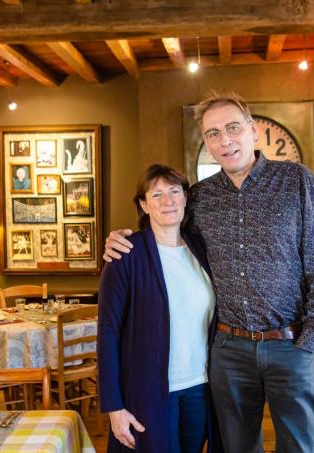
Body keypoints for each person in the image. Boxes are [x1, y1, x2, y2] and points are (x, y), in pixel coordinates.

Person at [104, 92, 314, 452]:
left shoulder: (297, 181)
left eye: (233, 128)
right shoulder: (200, 197)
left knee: (300, 446)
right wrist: (122, 239)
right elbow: (166, 232)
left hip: (289, 345)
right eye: (213, 133)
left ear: (252, 131)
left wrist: (307, 343)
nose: (225, 140)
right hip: (228, 352)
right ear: (207, 142)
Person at [98, 164, 219, 452]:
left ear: (185, 197)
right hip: (149, 390)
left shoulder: (202, 249)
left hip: (199, 387)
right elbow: (108, 332)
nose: (168, 201)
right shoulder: (126, 253)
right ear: (143, 205)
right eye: (157, 195)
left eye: (174, 191)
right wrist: (114, 406)